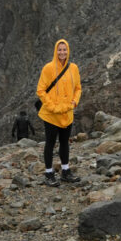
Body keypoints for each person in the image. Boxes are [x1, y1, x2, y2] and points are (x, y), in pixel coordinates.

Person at [37, 39, 81, 186]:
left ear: (68, 51)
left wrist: (74, 102)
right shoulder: (48, 68)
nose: (62, 52)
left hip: (67, 112)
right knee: (50, 143)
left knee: (64, 142)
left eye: (64, 50)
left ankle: (65, 171)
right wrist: (51, 106)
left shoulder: (73, 68)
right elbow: (41, 90)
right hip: (51, 114)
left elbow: (78, 88)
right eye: (59, 50)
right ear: (55, 51)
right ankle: (49, 173)